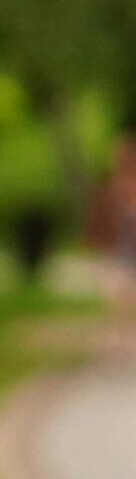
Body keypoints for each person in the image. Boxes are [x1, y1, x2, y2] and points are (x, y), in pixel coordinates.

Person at [90, 139, 136, 355]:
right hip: (118, 249)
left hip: (128, 248)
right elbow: (100, 218)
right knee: (118, 293)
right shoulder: (111, 188)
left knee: (125, 294)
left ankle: (126, 333)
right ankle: (121, 333)